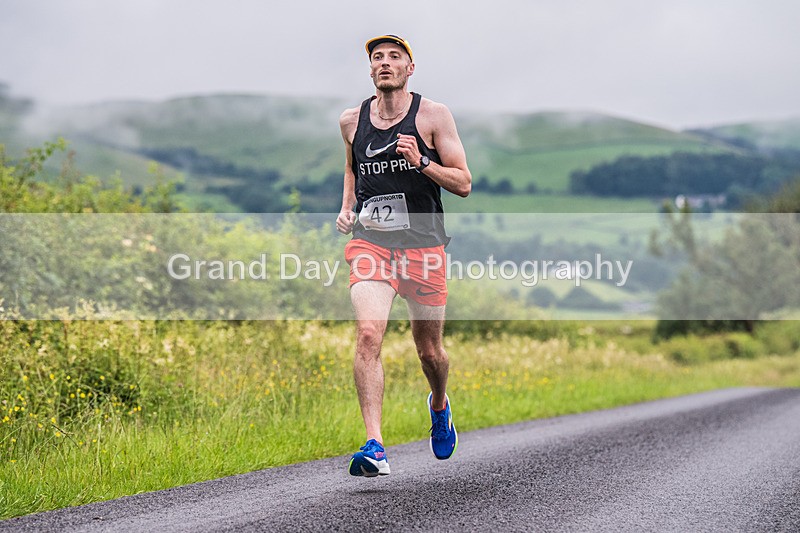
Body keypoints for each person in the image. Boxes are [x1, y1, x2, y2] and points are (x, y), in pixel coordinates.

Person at [335, 34, 472, 477]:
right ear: (371, 69)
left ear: (410, 68)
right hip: (371, 243)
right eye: (378, 57)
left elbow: (464, 182)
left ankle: (439, 403)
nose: (385, 63)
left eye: (395, 57)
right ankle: (375, 445)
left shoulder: (433, 116)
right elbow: (353, 167)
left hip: (424, 247)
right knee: (369, 335)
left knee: (429, 351)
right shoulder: (351, 120)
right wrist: (347, 206)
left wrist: (422, 163)